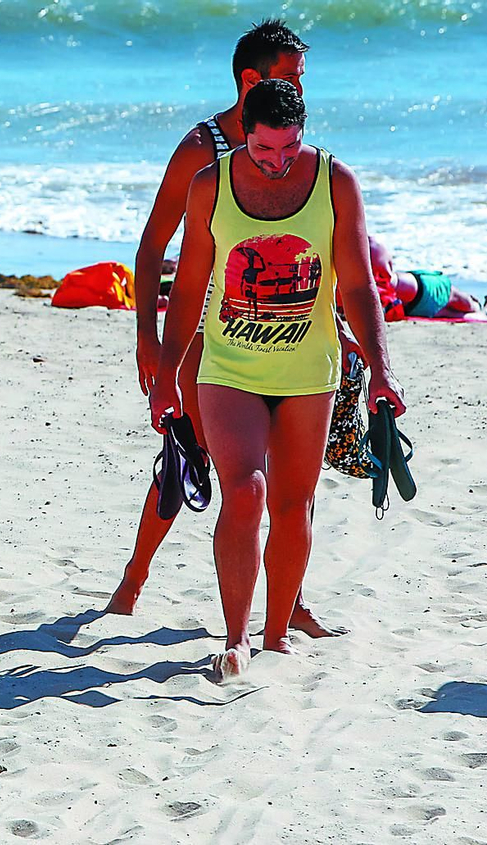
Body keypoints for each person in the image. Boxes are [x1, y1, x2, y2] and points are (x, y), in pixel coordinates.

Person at [149, 80, 404, 680]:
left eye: (290, 149)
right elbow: (188, 286)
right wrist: (165, 375)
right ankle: (236, 636)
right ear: (245, 136)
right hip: (228, 367)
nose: (278, 162)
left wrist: (381, 371)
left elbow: (359, 283)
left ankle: (277, 630)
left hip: (309, 370)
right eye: (265, 151)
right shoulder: (211, 184)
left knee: (295, 504)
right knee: (246, 490)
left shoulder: (336, 183)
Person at [108, 19, 343, 638]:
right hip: (207, 341)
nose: (301, 87)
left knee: (289, 482)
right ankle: (135, 578)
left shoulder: (285, 145)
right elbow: (153, 247)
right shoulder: (201, 149)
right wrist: (149, 343)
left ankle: (285, 604)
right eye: (291, 75)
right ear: (251, 78)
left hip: (287, 338)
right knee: (194, 462)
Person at [367, 237, 482, 320]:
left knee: (453, 311)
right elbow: (387, 274)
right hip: (422, 290)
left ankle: (478, 307)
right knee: (465, 303)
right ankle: (478, 306)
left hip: (407, 304)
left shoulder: (361, 251)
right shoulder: (372, 245)